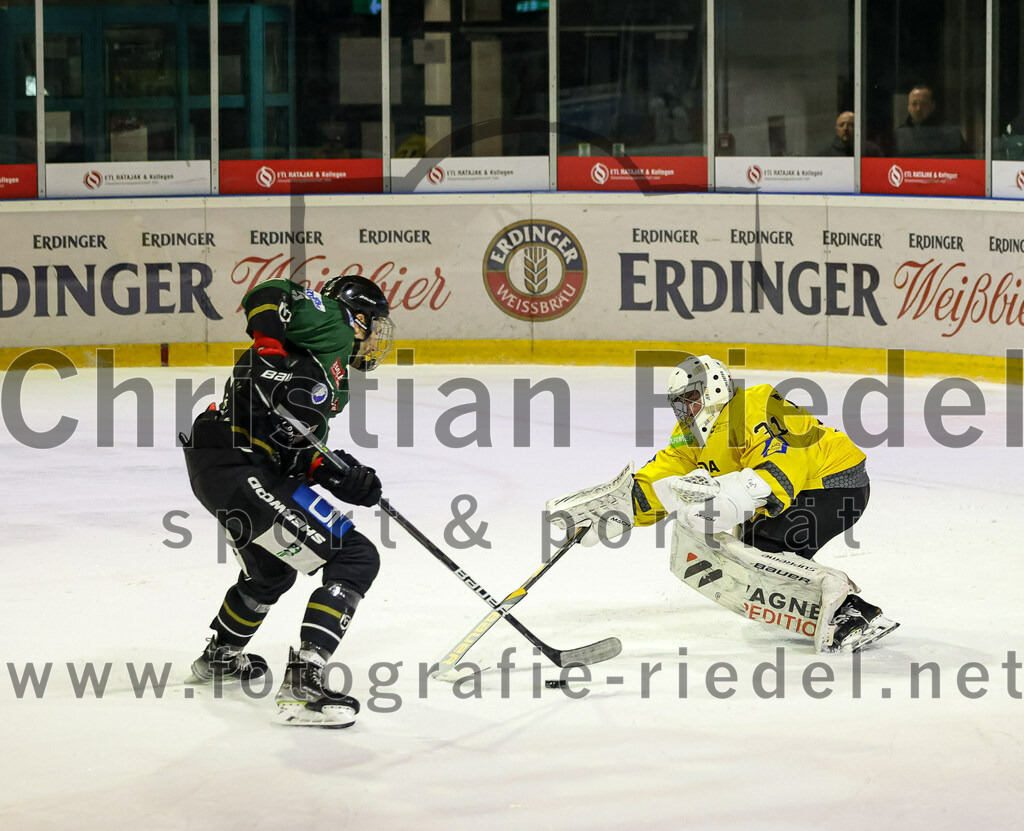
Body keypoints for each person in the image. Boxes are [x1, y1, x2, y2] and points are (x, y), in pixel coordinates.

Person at [546, 355, 898, 654]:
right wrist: (619, 510)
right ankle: (825, 606)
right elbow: (665, 474)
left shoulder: (757, 402)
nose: (686, 410)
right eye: (679, 403)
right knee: (753, 555)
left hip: (835, 486)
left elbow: (787, 458)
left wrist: (735, 497)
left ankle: (854, 612)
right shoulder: (691, 434)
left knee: (763, 549)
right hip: (802, 493)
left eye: (691, 398)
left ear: (715, 386)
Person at [181, 274, 395, 728]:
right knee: (355, 556)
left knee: (271, 572)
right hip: (238, 465)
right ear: (358, 319)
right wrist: (269, 344)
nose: (376, 337)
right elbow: (269, 293)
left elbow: (301, 455)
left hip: (227, 468)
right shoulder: (333, 321)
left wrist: (344, 478)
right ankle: (303, 683)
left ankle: (220, 657)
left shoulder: (331, 380)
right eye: (374, 324)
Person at [894, 84, 969, 157]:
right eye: (914, 104)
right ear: (909, 108)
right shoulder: (899, 135)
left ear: (932, 106)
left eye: (923, 104)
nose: (918, 109)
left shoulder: (951, 134)